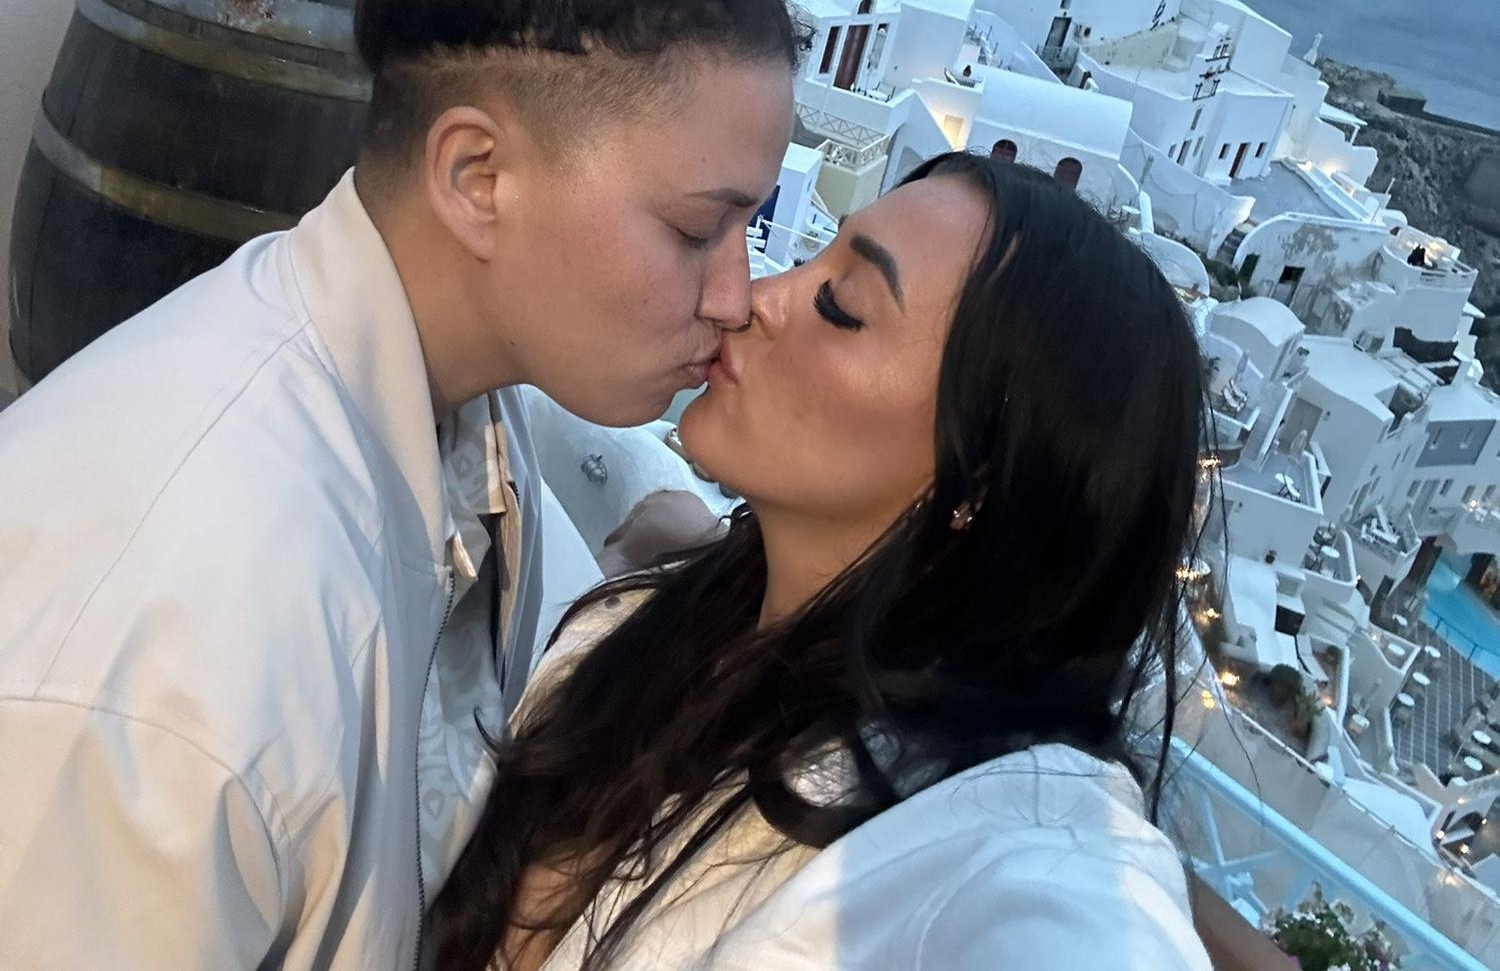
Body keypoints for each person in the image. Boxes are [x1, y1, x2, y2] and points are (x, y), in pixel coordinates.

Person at [0, 0, 797, 970]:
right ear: (478, 176)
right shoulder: (171, 641)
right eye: (696, 228)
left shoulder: (464, 424)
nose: (738, 293)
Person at [432, 155, 1213, 970]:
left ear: (978, 482)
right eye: (812, 261)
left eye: (840, 305)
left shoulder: (1003, 844)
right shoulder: (664, 630)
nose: (753, 299)